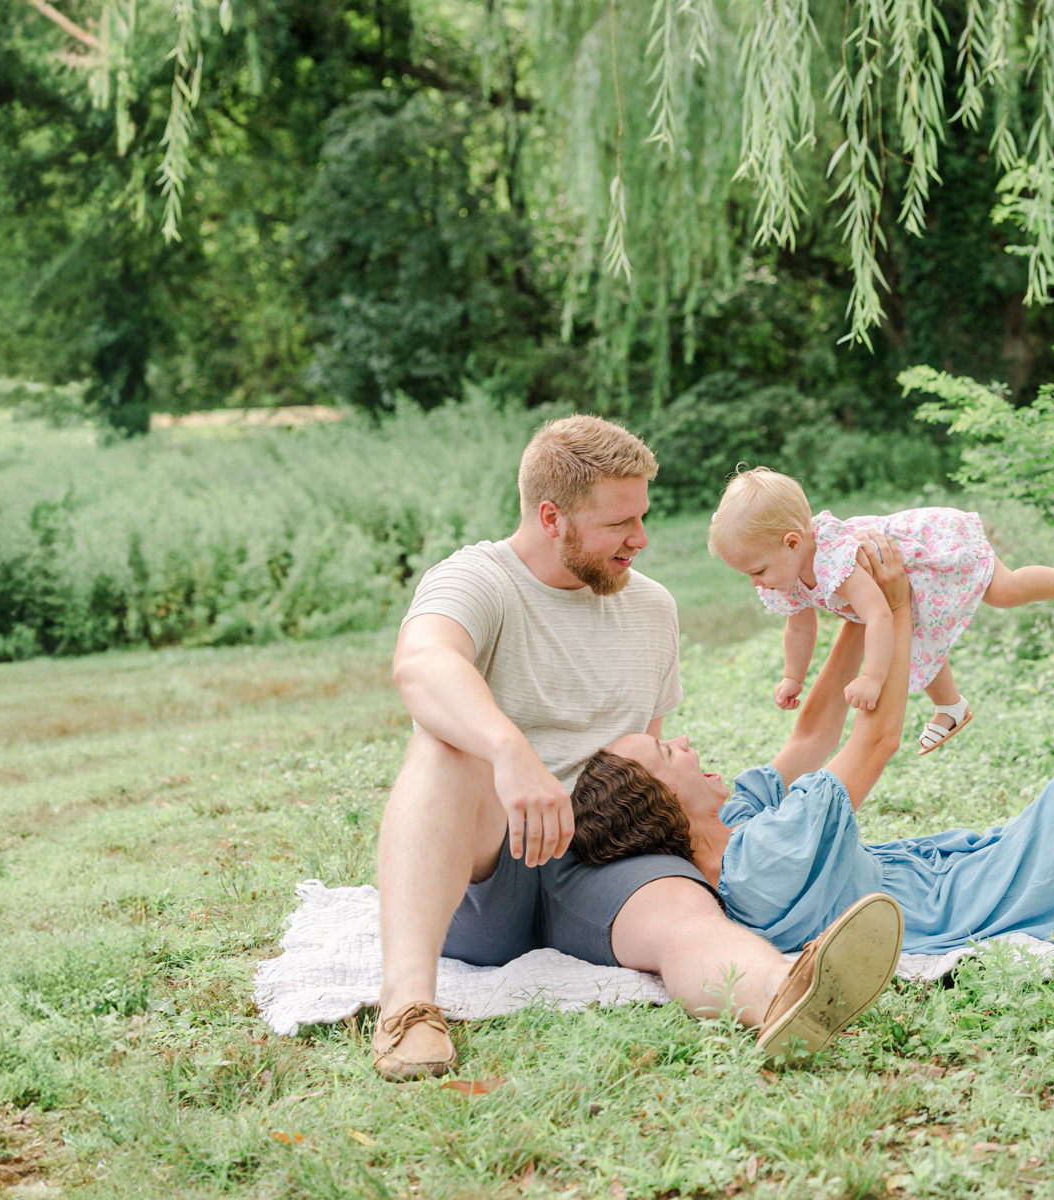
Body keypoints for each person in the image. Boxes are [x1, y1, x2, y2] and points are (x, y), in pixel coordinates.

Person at [372, 418, 906, 1079]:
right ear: (552, 517)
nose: (641, 539)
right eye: (620, 523)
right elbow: (421, 664)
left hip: (605, 852)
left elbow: (652, 762)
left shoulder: (652, 607)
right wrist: (508, 749)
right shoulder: (479, 580)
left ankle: (783, 994)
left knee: (684, 915)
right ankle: (407, 1008)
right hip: (492, 854)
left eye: (643, 516)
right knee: (443, 742)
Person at [567, 536, 1054, 957]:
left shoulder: (743, 818)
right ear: (663, 803)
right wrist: (903, 605)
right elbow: (874, 738)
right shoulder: (763, 857)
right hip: (1004, 894)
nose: (684, 742)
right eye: (667, 755)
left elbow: (814, 732)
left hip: (986, 864)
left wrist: (859, 606)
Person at [706, 468, 1054, 756]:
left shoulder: (838, 560)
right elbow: (799, 626)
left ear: (794, 542)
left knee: (1006, 590)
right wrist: (791, 676)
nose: (756, 583)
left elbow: (881, 616)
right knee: (918, 646)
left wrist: (871, 677)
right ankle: (952, 708)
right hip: (905, 590)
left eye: (758, 570)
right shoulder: (789, 573)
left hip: (929, 555)